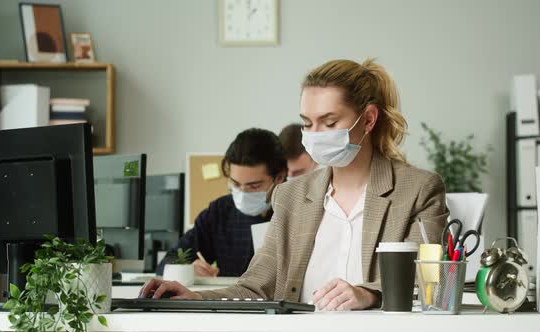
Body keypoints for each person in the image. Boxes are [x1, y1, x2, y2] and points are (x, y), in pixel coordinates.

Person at [142, 59, 448, 311]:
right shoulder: (291, 195)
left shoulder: (418, 190)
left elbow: (424, 281)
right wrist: (194, 297)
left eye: (329, 123)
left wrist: (367, 294)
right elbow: (254, 287)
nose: (315, 134)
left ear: (368, 120)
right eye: (307, 123)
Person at [156, 128, 286, 277]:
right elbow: (167, 263)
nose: (243, 193)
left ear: (279, 177)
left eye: (254, 186)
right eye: (236, 184)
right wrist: (187, 269)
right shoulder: (219, 212)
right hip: (228, 299)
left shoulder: (299, 212)